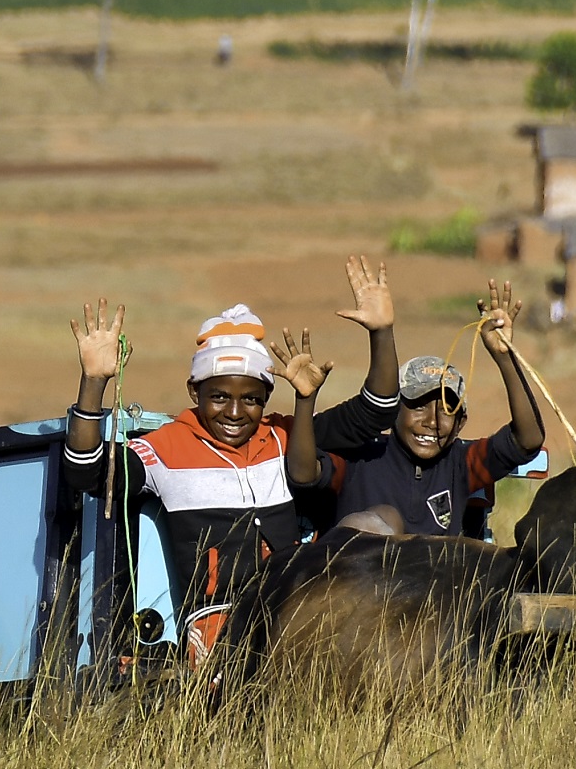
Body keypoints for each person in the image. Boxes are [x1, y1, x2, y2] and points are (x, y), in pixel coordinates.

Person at [62, 257, 399, 659]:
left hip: (298, 602)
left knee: (379, 522)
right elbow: (86, 473)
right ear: (194, 392)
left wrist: (382, 333)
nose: (236, 413)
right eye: (219, 397)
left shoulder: (284, 435)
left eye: (252, 400)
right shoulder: (166, 449)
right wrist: (94, 382)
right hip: (222, 625)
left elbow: (376, 412)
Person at [287, 279, 545, 538]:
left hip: (435, 578)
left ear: (461, 423)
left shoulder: (460, 464)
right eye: (418, 405)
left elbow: (528, 439)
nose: (431, 421)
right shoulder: (360, 458)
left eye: (446, 409)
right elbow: (303, 474)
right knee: (378, 522)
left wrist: (505, 357)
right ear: (394, 411)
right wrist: (305, 400)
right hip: (358, 574)